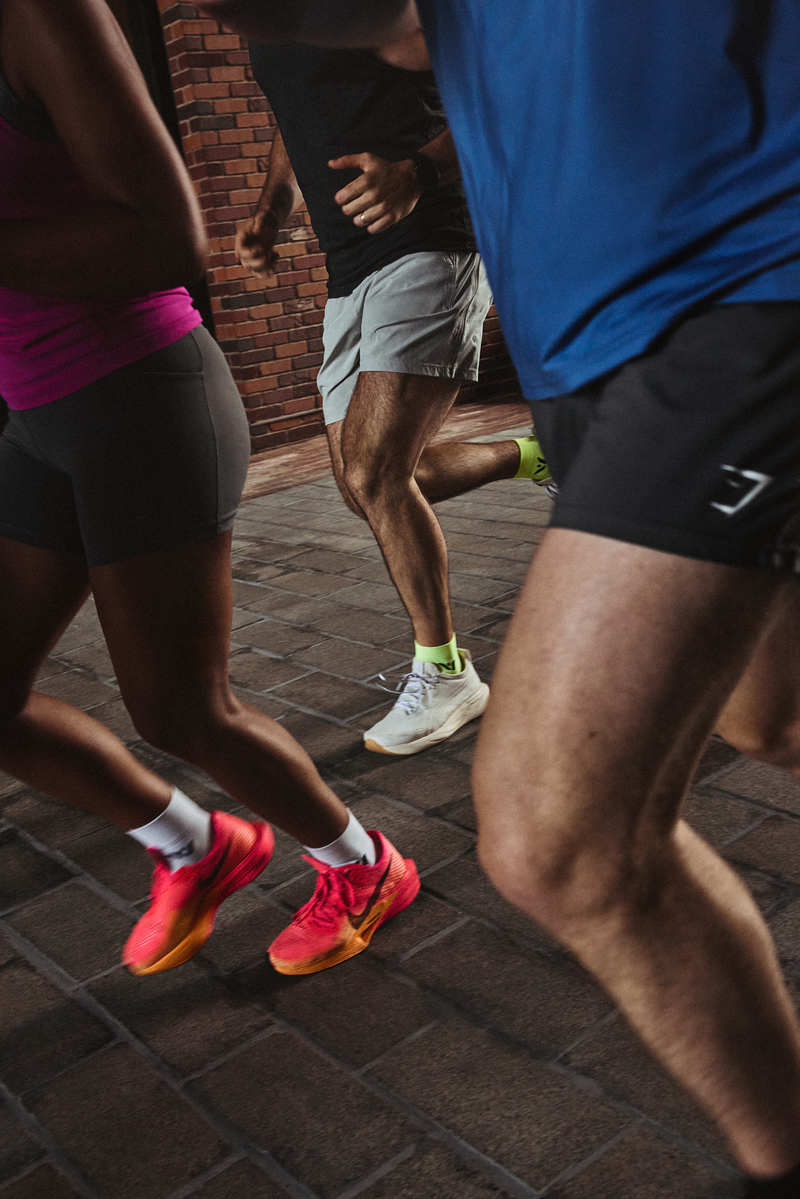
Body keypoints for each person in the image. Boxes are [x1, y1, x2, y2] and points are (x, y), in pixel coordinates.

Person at [197, 2, 800, 1195]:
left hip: (730, 258)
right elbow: (388, 25)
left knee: (556, 830)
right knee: (765, 718)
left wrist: (418, 164)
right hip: (585, 319)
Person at [0, 0, 420, 982]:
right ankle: (196, 845)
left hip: (139, 393)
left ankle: (363, 867)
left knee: (182, 707)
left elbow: (163, 233)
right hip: (35, 416)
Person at [235, 34, 553, 757]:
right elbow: (295, 118)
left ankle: (444, 673)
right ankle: (537, 453)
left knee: (377, 472)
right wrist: (271, 207)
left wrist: (420, 171)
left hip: (431, 234)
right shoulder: (263, 23)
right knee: (365, 485)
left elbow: (502, 81)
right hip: (348, 267)